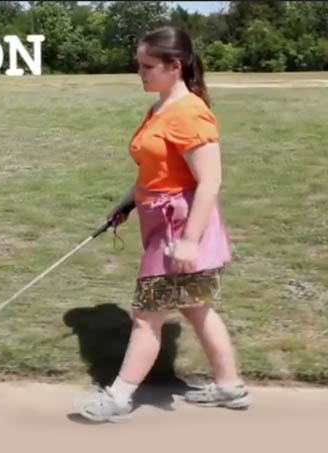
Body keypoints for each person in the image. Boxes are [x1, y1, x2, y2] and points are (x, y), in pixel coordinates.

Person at [75, 26, 252, 422]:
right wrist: (129, 201)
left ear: (175, 66)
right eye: (139, 65)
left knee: (145, 315)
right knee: (196, 308)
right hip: (161, 220)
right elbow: (158, 169)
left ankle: (118, 397)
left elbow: (210, 181)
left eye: (148, 66)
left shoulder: (189, 113)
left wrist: (189, 242)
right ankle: (230, 387)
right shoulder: (161, 106)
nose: (140, 73)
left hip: (180, 231)